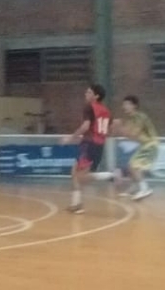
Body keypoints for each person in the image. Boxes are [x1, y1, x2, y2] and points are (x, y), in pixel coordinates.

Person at [62, 84, 112, 215]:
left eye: (89, 92)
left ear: (96, 96)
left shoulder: (90, 107)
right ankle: (76, 204)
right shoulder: (106, 111)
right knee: (74, 172)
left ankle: (109, 175)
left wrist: (70, 138)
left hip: (89, 144)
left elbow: (85, 126)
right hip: (98, 145)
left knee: (80, 176)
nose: (86, 94)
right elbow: (107, 129)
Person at [113, 96, 156, 202]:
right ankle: (134, 188)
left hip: (150, 144)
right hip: (144, 145)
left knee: (133, 166)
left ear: (134, 106)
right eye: (124, 104)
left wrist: (119, 126)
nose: (124, 107)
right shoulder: (130, 120)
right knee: (131, 166)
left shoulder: (140, 117)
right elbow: (128, 135)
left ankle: (145, 188)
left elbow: (133, 133)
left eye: (127, 104)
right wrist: (118, 128)